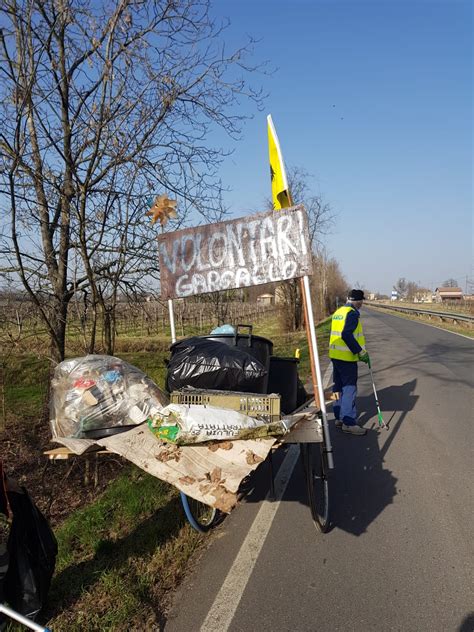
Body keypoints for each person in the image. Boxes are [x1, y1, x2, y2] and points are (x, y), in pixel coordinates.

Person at [328, 289, 370, 436]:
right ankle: (349, 422)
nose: (362, 304)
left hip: (335, 355)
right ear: (358, 301)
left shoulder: (339, 312)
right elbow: (346, 334)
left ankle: (338, 417)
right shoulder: (352, 314)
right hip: (347, 358)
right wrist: (359, 351)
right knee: (349, 389)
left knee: (337, 387)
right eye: (362, 301)